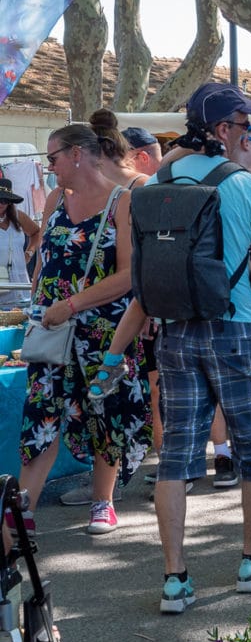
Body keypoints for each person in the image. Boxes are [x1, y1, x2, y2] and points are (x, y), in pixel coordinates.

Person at [148, 83, 251, 614]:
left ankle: (173, 578)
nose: (250, 134)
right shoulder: (249, 188)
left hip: (176, 332)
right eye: (244, 124)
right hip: (237, 332)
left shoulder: (155, 181)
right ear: (223, 130)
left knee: (177, 458)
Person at [14, 124, 149, 538]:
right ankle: (21, 512)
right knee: (41, 415)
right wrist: (38, 305)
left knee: (103, 413)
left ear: (76, 154)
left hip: (102, 331)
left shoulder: (122, 202)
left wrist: (69, 304)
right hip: (50, 329)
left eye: (52, 158)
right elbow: (44, 258)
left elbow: (129, 276)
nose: (48, 166)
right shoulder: (55, 199)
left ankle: (103, 501)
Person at [0, 178, 40, 308]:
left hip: (20, 279)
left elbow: (36, 233)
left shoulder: (18, 216)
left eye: (5, 200)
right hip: (1, 283)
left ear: (10, 202)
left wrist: (28, 254)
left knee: (21, 319)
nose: (1, 203)